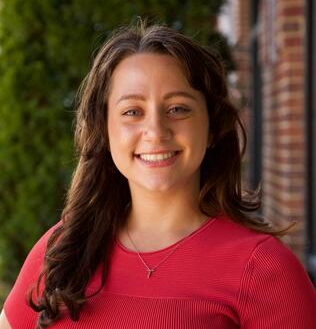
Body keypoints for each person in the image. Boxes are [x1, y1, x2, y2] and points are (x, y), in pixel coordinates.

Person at [0, 23, 315, 329]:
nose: (156, 131)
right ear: (105, 131)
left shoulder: (264, 270)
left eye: (178, 108)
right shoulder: (62, 250)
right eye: (132, 111)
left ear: (212, 127)